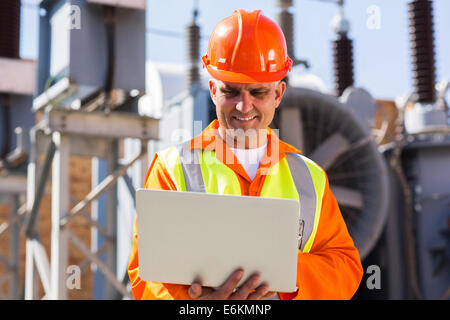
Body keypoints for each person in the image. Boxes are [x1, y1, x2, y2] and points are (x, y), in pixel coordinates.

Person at [128, 9, 363, 300]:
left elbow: (345, 269)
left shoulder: (310, 178)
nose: (244, 106)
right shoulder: (170, 168)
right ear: (213, 89)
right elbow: (144, 275)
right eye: (231, 92)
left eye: (258, 92)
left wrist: (282, 272)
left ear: (278, 94)